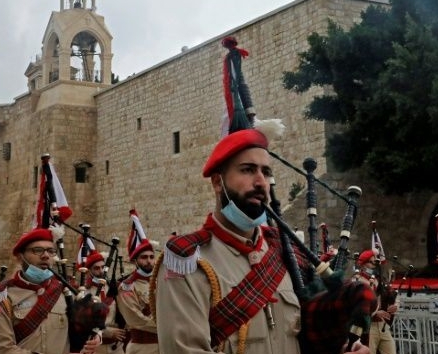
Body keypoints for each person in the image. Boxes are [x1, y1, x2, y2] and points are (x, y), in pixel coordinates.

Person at [154, 128, 368, 354]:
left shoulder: (287, 252)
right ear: (218, 182)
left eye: (266, 172)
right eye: (247, 170)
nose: (260, 182)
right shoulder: (185, 260)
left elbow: (306, 338)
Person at [0, 228, 100, 354]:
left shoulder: (65, 291)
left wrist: (97, 336)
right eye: (37, 250)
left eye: (51, 251)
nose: (45, 255)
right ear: (20, 257)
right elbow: (0, 349)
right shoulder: (1, 296)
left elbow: (88, 324)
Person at [116, 239, 158, 353]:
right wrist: (167, 326)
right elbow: (135, 319)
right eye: (144, 257)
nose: (149, 261)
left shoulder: (161, 282)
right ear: (135, 261)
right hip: (143, 347)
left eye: (151, 257)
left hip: (166, 344)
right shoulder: (127, 286)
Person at [81, 251, 125, 354]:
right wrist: (108, 332)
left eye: (102, 267)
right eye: (96, 268)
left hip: (116, 346)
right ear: (89, 271)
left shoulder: (112, 288)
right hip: (96, 347)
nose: (101, 271)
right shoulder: (84, 292)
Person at [355, 250, 396, 354]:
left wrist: (395, 305)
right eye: (372, 262)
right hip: (368, 327)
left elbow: (391, 295)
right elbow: (357, 306)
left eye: (376, 262)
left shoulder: (379, 280)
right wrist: (375, 312)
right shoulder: (357, 281)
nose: (374, 265)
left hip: (383, 325)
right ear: (363, 264)